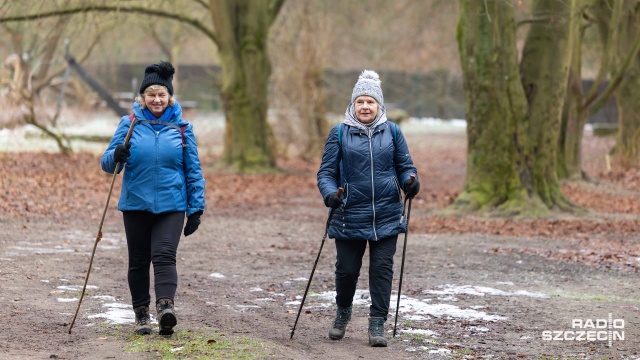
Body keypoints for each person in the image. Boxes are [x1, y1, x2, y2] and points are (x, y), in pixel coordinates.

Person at [101, 61, 206, 336]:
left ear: (169, 97)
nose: (157, 100)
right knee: (138, 260)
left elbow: (193, 170)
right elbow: (107, 164)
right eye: (151, 95)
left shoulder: (183, 129)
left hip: (172, 205)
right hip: (136, 204)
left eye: (162, 95)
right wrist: (116, 155)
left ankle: (165, 309)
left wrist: (196, 208)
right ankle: (141, 315)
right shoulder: (129, 124)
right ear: (142, 98)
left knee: (164, 256)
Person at [317, 70, 420, 347]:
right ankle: (343, 312)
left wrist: (411, 182)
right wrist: (330, 195)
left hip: (386, 213)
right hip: (349, 213)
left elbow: (405, 167)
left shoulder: (393, 132)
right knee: (346, 271)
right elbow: (325, 173)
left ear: (379, 106)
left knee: (382, 269)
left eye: (370, 102)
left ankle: (377, 322)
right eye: (360, 101)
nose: (365, 106)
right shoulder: (339, 133)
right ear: (353, 105)